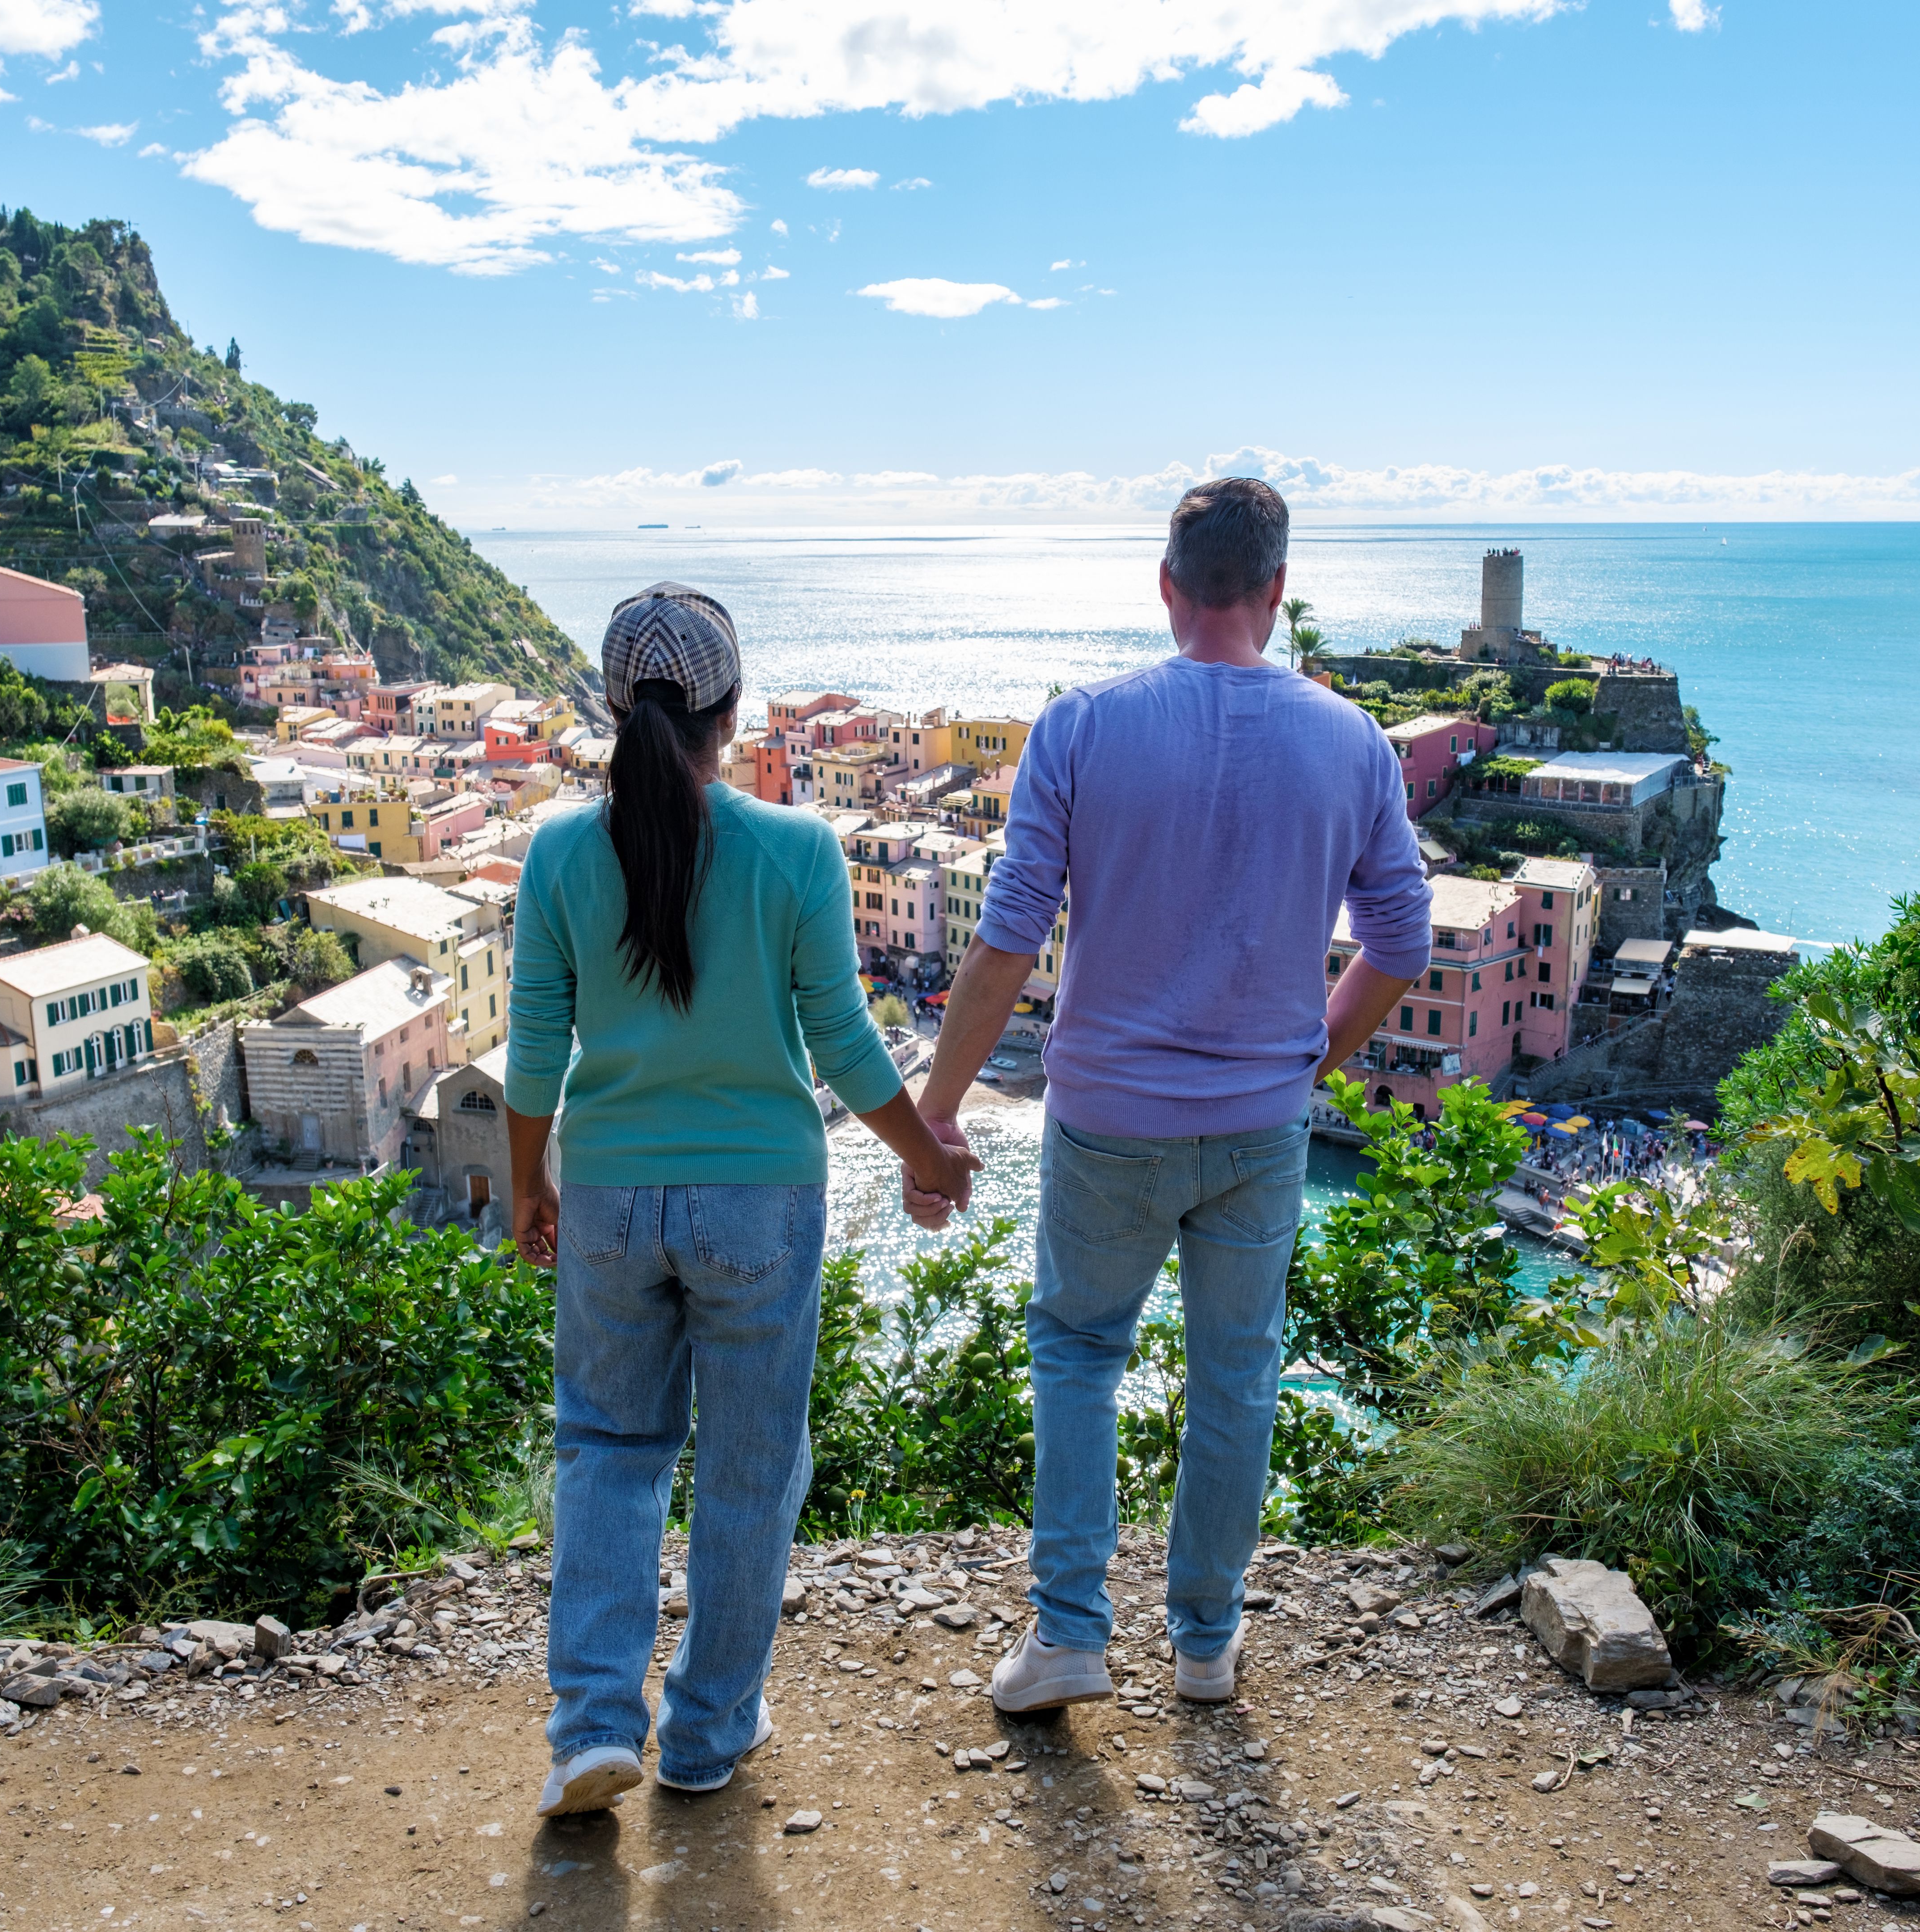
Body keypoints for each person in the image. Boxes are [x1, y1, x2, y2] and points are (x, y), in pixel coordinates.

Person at [907, 479, 1432, 1713]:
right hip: (1261, 1127)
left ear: (1166, 584)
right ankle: (1205, 1644)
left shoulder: (1085, 725)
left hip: (1108, 1120)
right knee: (1237, 1377)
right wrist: (1314, 1060)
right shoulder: (1351, 741)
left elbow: (1006, 942)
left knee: (1080, 1355)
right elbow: (1402, 941)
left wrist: (936, 1114)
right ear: (1276, 594)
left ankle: (1071, 1634)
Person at [505, 584, 981, 1816]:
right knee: (751, 1467)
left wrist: (527, 1189)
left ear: (616, 708)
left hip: (608, 1195)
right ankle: (709, 1731)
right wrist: (924, 1156)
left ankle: (592, 1726)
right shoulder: (799, 849)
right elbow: (844, 1044)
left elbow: (532, 1054)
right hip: (760, 1200)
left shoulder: (557, 852)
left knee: (608, 1450)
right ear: (730, 712)